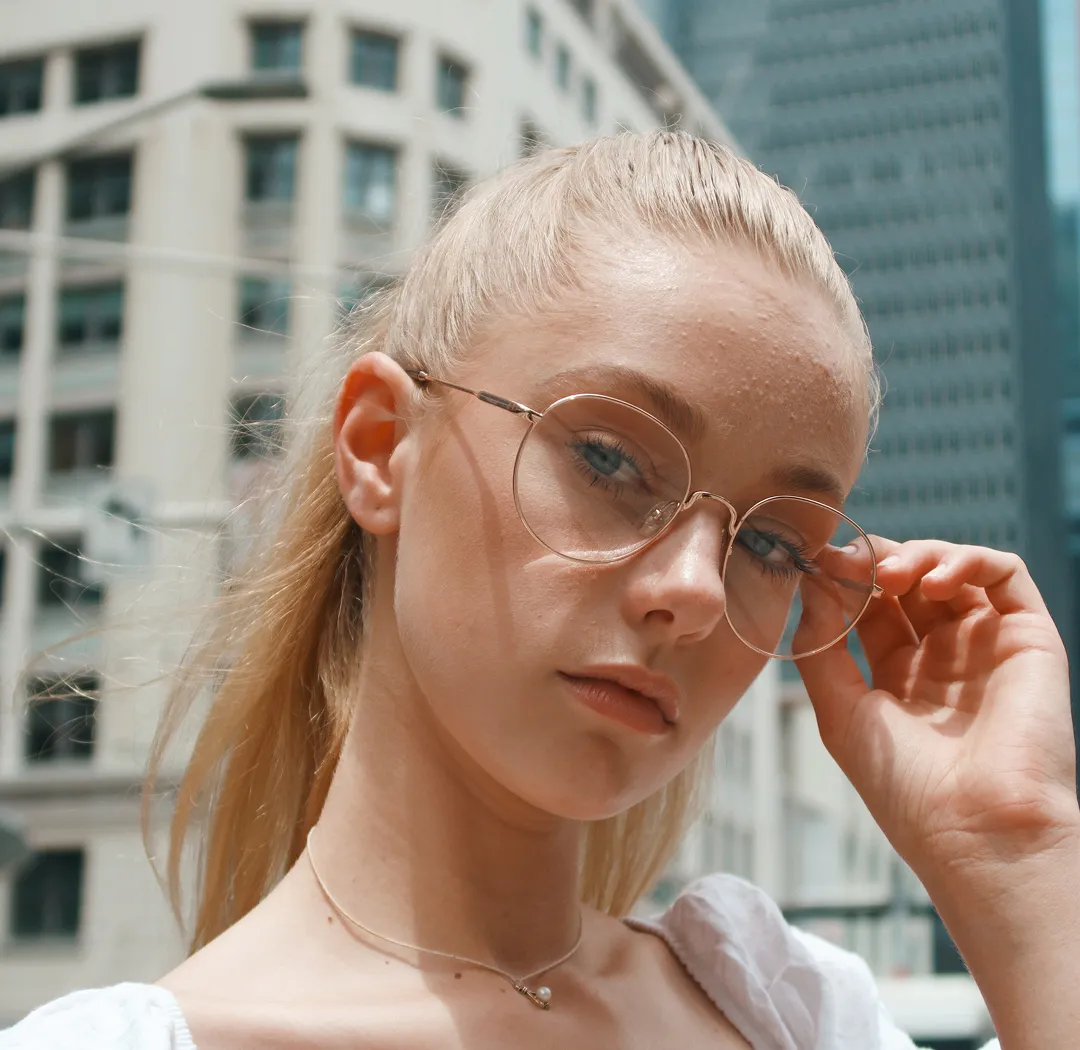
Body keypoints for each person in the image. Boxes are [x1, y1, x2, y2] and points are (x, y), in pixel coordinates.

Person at [3, 130, 1077, 1050]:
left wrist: (1019, 846)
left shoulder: (792, 1014)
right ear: (380, 446)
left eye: (773, 548)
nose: (696, 591)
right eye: (610, 461)